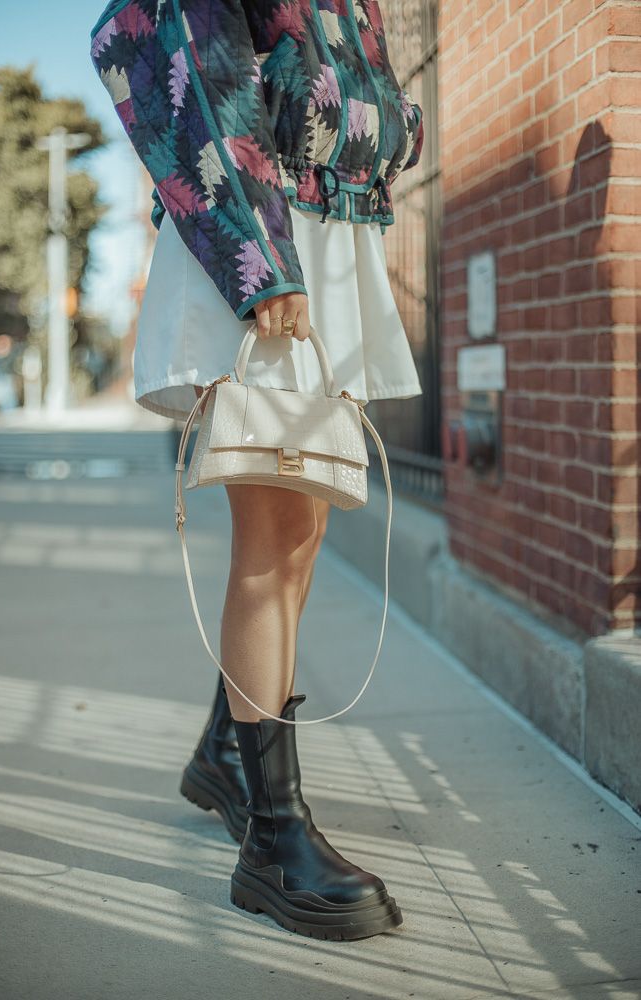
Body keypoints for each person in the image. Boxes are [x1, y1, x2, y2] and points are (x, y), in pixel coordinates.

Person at [92, 0, 423, 941]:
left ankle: (226, 756)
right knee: (273, 536)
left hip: (329, 232)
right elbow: (187, 56)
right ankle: (272, 841)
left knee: (304, 526)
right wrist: (257, 259)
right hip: (269, 235)